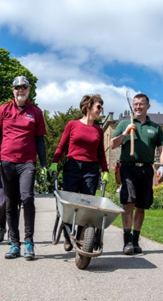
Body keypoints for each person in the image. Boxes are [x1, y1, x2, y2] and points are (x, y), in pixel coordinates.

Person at [0, 75, 47, 260]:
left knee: (27, 198)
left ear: (29, 90)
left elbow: (40, 140)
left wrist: (43, 164)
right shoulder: (4, 109)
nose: (21, 90)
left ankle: (29, 242)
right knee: (10, 203)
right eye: (17, 87)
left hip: (27, 162)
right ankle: (14, 244)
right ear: (13, 90)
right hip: (6, 162)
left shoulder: (35, 112)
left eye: (24, 87)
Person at [49, 94, 110, 252]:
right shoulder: (72, 124)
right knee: (69, 204)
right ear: (88, 107)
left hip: (91, 169)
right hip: (72, 167)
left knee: (87, 205)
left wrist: (105, 171)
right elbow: (62, 145)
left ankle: (84, 237)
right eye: (98, 107)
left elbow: (101, 153)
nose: (101, 110)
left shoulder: (98, 130)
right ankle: (68, 236)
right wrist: (55, 162)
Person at [110, 93, 163, 255]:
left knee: (141, 205)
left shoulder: (155, 127)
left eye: (141, 104)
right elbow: (112, 144)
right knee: (128, 203)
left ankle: (135, 241)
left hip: (146, 169)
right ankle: (127, 241)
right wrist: (125, 133)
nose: (138, 107)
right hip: (128, 168)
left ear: (148, 106)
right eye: (135, 104)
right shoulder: (124, 124)